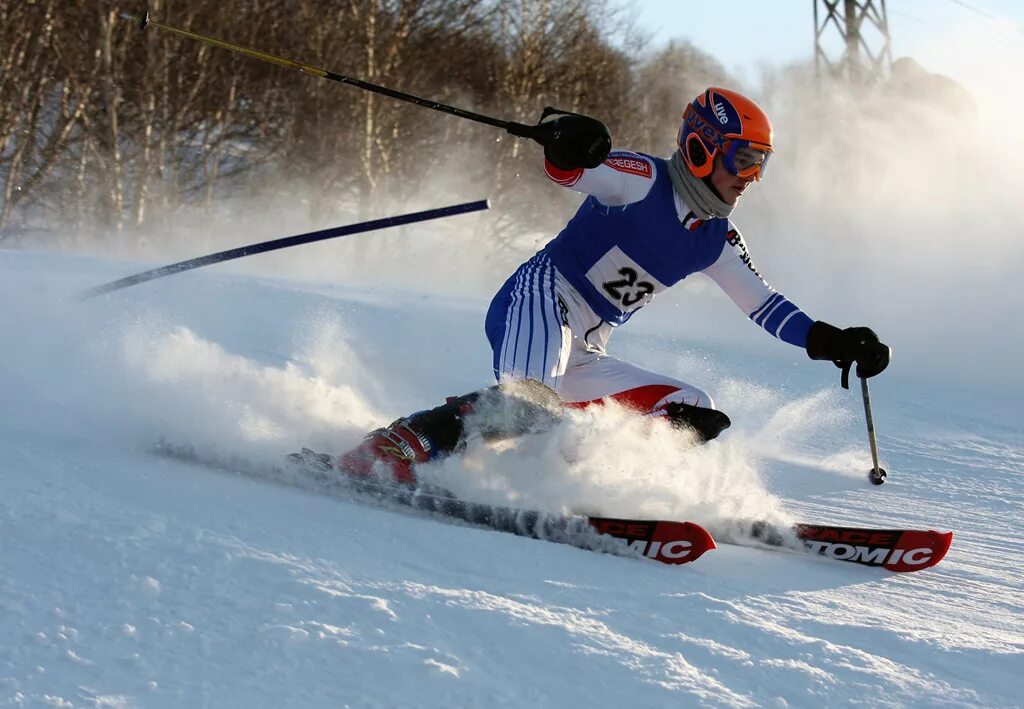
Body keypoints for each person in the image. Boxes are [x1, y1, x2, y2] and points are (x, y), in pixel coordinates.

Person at [336, 87, 891, 484]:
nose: (750, 178)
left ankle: (574, 479)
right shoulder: (643, 180)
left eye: (760, 165)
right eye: (743, 160)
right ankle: (397, 445)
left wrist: (833, 341)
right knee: (528, 403)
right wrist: (567, 146)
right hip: (542, 298)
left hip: (586, 344)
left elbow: (765, 306)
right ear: (703, 149)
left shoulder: (716, 239)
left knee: (691, 410)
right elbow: (574, 172)